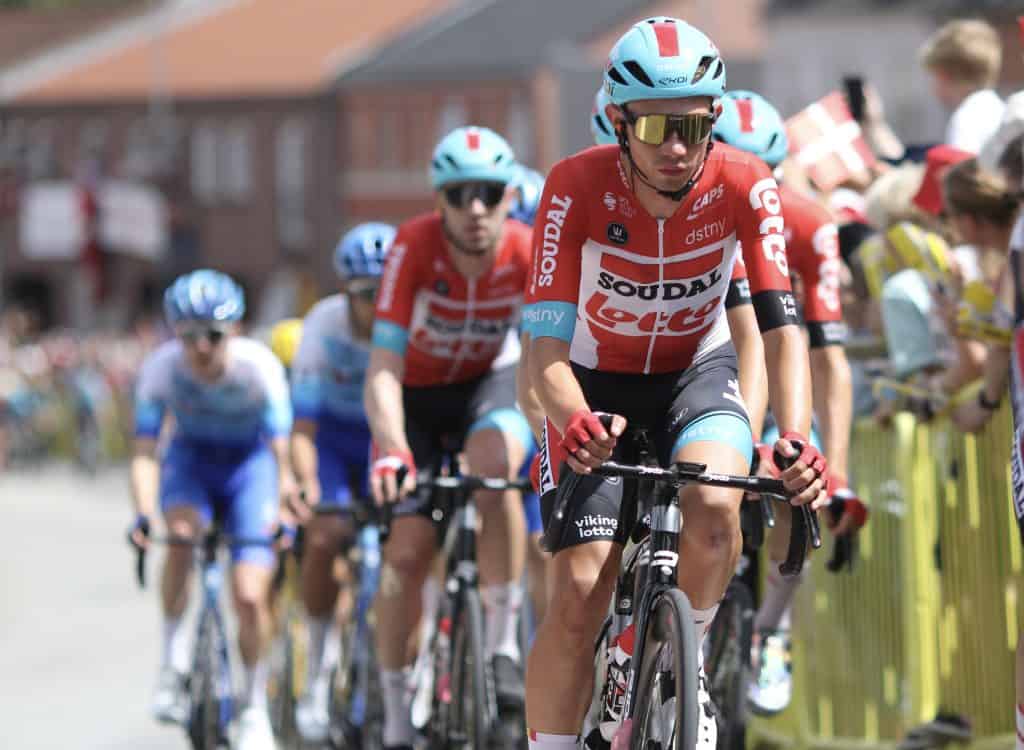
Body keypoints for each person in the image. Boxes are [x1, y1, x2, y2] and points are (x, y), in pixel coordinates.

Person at [523, 17, 828, 750]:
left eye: (692, 126)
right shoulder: (574, 184)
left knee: (719, 506)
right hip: (592, 385)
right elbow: (543, 351)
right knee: (576, 595)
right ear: (621, 124)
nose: (676, 147)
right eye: (656, 125)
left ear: (713, 121)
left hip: (698, 371)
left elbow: (785, 331)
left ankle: (678, 664)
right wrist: (574, 421)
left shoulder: (746, 183)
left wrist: (794, 439)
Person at [363, 125, 536, 750]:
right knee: (406, 554)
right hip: (413, 396)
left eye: (489, 193)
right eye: (459, 195)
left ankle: (501, 646)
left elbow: (548, 351)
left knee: (498, 473)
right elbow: (381, 366)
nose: (475, 209)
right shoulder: (412, 247)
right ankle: (392, 711)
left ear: (510, 196)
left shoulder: (526, 248)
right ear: (439, 202)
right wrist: (393, 449)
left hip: (486, 387)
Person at [713, 89, 866, 714]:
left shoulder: (808, 224)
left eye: (767, 175)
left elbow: (829, 360)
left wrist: (841, 470)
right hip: (704, 368)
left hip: (778, 378)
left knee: (795, 478)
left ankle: (771, 629)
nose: (752, 187)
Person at [128, 269, 296, 750]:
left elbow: (283, 455)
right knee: (180, 537)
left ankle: (254, 708)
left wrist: (284, 509)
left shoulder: (257, 368)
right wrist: (143, 513)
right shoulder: (162, 368)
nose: (201, 347)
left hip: (249, 469)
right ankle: (172, 663)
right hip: (192, 464)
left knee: (248, 595)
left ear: (236, 330)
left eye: (214, 336)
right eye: (188, 336)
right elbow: (144, 452)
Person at [287, 222, 395, 742]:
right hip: (332, 440)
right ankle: (318, 668)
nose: (378, 303)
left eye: (388, 289)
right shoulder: (323, 326)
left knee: (416, 540)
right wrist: (305, 483)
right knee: (325, 534)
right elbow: (302, 428)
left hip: (387, 438)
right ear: (345, 293)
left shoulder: (413, 320)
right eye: (365, 294)